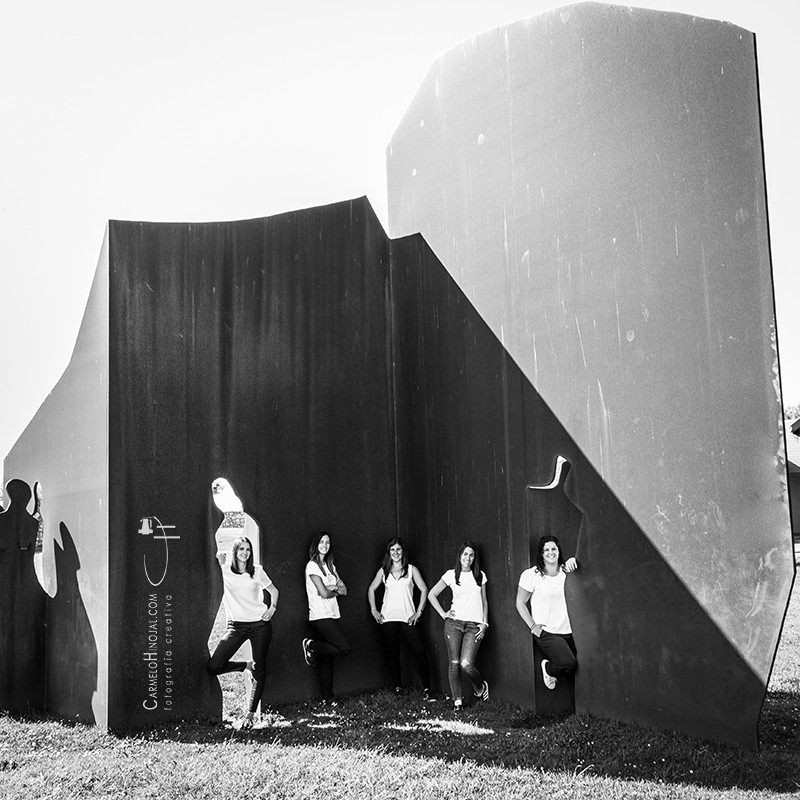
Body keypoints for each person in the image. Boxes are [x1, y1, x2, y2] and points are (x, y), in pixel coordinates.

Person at [208, 536, 279, 729]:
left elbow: (274, 590)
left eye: (248, 549)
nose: (245, 553)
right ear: (235, 551)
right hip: (236, 626)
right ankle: (245, 666)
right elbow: (212, 559)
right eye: (241, 549)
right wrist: (217, 556)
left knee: (260, 670)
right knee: (214, 666)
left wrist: (272, 608)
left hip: (259, 625)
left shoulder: (257, 571)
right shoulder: (224, 571)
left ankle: (249, 715)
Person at [366, 537, 433, 699]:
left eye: (398, 549)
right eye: (392, 550)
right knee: (392, 653)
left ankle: (427, 689)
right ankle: (397, 687)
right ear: (389, 553)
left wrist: (418, 612)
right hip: (388, 618)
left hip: (407, 617)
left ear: (403, 551)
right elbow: (371, 589)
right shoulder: (383, 571)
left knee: (419, 650)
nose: (395, 553)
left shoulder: (411, 570)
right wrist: (374, 610)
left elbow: (424, 589)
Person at [428, 542, 490, 710]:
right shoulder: (450, 575)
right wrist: (443, 614)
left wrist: (484, 623)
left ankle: (480, 688)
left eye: (471, 555)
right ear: (460, 556)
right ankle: (458, 701)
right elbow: (431, 594)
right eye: (465, 554)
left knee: (466, 664)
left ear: (474, 558)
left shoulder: (479, 576)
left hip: (474, 626)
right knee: (454, 662)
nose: (467, 558)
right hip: (453, 624)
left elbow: (484, 601)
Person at [515, 535, 579, 691]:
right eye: (546, 550)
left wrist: (573, 561)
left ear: (558, 551)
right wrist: (532, 626)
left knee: (575, 669)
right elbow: (520, 603)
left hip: (569, 629)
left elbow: (578, 571)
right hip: (547, 631)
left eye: (554, 549)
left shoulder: (566, 571)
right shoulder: (532, 575)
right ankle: (549, 669)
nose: (551, 552)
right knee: (569, 663)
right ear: (541, 554)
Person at [302, 531, 350, 703]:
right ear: (316, 545)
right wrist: (333, 588)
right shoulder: (312, 566)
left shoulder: (331, 567)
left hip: (333, 613)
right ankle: (311, 645)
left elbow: (344, 590)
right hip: (320, 616)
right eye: (321, 542)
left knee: (328, 659)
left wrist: (333, 588)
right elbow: (323, 593)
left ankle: (327, 697)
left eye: (328, 542)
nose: (325, 545)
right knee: (344, 648)